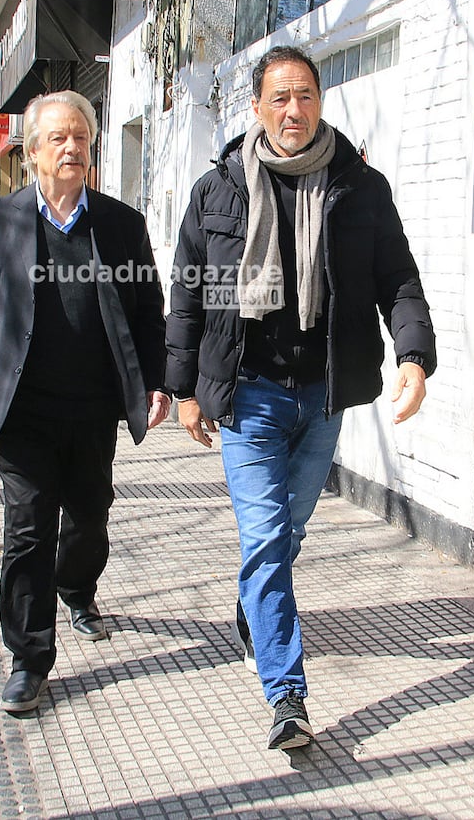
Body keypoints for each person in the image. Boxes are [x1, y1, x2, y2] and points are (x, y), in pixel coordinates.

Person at [165, 46, 436, 750]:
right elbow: (188, 291)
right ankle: (286, 695)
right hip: (247, 394)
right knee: (264, 539)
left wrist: (413, 355)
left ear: (320, 102)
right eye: (279, 97)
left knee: (285, 536)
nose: (293, 110)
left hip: (322, 395)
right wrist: (183, 385)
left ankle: (251, 605)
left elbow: (396, 277)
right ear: (255, 108)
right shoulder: (217, 188)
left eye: (305, 96)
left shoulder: (358, 186)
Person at [0, 90, 170, 714]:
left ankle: (77, 587)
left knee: (89, 518)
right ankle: (29, 658)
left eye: (81, 138)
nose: (72, 148)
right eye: (58, 138)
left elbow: (148, 311)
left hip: (93, 410)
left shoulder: (121, 224)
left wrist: (157, 378)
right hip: (24, 410)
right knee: (27, 530)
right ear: (31, 152)